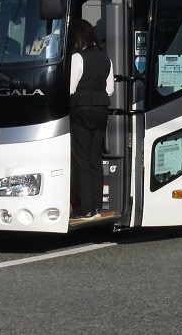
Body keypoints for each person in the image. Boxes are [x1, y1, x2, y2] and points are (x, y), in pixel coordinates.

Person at [68, 19, 114, 219]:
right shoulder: (105, 59)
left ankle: (84, 207)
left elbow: (69, 88)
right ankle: (96, 205)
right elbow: (110, 89)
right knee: (96, 158)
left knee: (81, 159)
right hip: (101, 109)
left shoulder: (78, 57)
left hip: (81, 110)